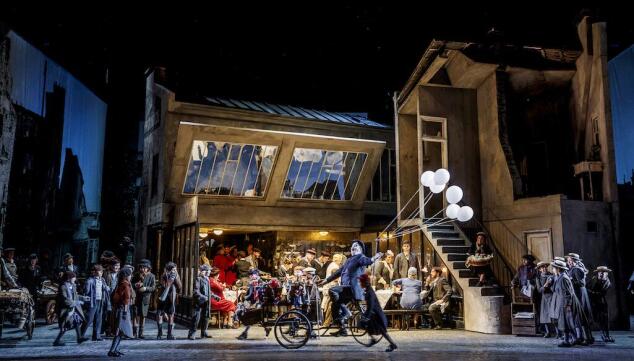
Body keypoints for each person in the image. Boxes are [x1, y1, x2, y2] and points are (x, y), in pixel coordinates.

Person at [319, 240, 382, 336]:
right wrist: (325, 281)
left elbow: (367, 261)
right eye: (352, 245)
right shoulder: (349, 260)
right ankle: (342, 329)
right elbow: (338, 272)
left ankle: (347, 313)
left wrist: (374, 258)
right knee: (334, 306)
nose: (353, 247)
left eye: (356, 246)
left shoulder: (360, 257)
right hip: (346, 289)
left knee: (332, 290)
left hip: (352, 288)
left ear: (361, 249)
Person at [550, 259, 586, 347]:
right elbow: (555, 289)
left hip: (566, 303)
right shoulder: (559, 277)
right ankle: (569, 340)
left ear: (558, 269)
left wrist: (568, 304)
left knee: (568, 322)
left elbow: (569, 293)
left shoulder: (564, 278)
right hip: (562, 302)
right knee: (564, 322)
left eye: (554, 268)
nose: (553, 270)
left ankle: (572, 339)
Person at [358, 273, 397, 352]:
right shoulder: (368, 290)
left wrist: (367, 316)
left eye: (360, 282)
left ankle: (393, 344)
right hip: (373, 314)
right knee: (375, 328)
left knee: (382, 331)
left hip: (376, 314)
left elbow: (371, 305)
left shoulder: (369, 292)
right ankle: (374, 339)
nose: (359, 284)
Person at [53, 271, 89, 346]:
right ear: (69, 278)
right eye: (73, 277)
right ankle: (57, 341)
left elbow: (75, 296)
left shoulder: (72, 285)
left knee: (76, 322)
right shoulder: (63, 286)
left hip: (72, 308)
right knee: (65, 326)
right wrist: (77, 302)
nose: (75, 279)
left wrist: (83, 298)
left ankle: (79, 338)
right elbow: (65, 300)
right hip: (65, 309)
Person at [566, 253, 594, 344]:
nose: (569, 262)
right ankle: (580, 337)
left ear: (575, 261)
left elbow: (582, 284)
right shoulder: (571, 270)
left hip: (580, 294)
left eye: (571, 261)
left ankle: (587, 338)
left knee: (582, 315)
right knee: (578, 316)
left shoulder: (577, 270)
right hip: (576, 294)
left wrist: (571, 280)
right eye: (568, 261)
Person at [108, 266, 133, 357]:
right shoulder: (125, 285)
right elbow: (126, 299)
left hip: (118, 309)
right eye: (130, 274)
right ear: (126, 275)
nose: (131, 276)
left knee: (120, 331)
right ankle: (112, 350)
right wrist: (125, 313)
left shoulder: (120, 283)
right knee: (119, 331)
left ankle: (115, 349)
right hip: (122, 310)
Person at [82, 264, 110, 341]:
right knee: (89, 319)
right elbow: (86, 291)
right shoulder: (90, 280)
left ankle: (96, 336)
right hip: (92, 301)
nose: (100, 273)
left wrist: (106, 288)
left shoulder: (102, 280)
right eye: (99, 271)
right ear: (94, 272)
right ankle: (81, 335)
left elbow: (105, 288)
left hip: (100, 300)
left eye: (101, 271)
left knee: (98, 319)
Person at [188, 264, 216, 340]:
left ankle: (204, 332)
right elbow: (196, 291)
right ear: (205, 271)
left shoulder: (207, 279)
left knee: (206, 317)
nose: (209, 272)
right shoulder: (198, 279)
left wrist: (214, 296)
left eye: (209, 270)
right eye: (208, 270)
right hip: (199, 302)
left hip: (206, 302)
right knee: (196, 318)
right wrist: (203, 297)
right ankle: (192, 333)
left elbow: (208, 291)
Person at [588, 266, 614, 343]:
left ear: (606, 274)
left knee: (604, 319)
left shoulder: (607, 281)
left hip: (601, 302)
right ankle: (588, 336)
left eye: (603, 272)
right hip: (592, 302)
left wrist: (592, 292)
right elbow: (587, 286)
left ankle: (606, 335)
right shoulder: (594, 279)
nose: (601, 274)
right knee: (592, 318)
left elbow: (601, 292)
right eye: (599, 272)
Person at [157, 262, 182, 340]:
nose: (175, 271)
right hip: (163, 297)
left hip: (171, 298)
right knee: (160, 314)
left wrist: (176, 278)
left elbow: (180, 287)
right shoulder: (164, 276)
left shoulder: (176, 276)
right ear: (169, 270)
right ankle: (160, 333)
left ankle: (169, 334)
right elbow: (163, 285)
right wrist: (169, 279)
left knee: (171, 315)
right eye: (173, 269)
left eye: (175, 269)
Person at [132, 259, 156, 339]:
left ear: (148, 268)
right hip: (136, 297)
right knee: (135, 314)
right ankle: (134, 332)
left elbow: (153, 287)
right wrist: (135, 285)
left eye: (144, 267)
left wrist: (145, 288)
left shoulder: (151, 276)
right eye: (141, 267)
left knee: (143, 315)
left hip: (145, 298)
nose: (142, 269)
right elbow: (131, 284)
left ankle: (141, 333)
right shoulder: (136, 275)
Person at [321, 253, 343, 328]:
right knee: (331, 306)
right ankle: (326, 323)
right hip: (332, 288)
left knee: (329, 306)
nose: (340, 261)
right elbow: (336, 278)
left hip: (329, 287)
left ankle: (329, 322)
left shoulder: (331, 264)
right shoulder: (335, 267)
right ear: (339, 260)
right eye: (340, 260)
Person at [535, 261, 556, 338]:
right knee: (544, 316)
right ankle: (548, 332)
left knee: (554, 314)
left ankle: (558, 332)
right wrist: (546, 284)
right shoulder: (538, 278)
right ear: (540, 269)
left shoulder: (552, 275)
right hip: (544, 297)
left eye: (545, 267)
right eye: (542, 267)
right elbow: (539, 290)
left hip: (552, 296)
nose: (544, 268)